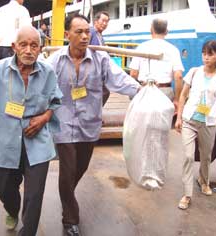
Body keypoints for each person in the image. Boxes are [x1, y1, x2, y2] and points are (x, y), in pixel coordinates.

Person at [0, 25, 62, 236]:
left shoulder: (48, 72)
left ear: (40, 48)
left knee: (34, 196)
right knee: (4, 187)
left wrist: (44, 117)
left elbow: (56, 101)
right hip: (7, 140)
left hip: (38, 143)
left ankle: (28, 232)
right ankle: (12, 209)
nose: (28, 50)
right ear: (14, 47)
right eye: (23, 45)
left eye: (34, 45)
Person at [47, 13, 140, 236]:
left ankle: (66, 195)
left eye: (87, 31)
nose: (84, 36)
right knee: (67, 171)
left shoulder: (101, 59)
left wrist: (144, 91)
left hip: (89, 123)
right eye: (78, 32)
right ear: (67, 34)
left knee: (80, 169)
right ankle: (70, 219)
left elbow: (120, 80)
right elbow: (39, 81)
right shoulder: (55, 60)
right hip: (64, 123)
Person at [175, 40, 216, 210]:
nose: (206, 57)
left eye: (210, 54)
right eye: (204, 53)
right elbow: (183, 95)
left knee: (205, 157)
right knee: (189, 157)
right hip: (189, 120)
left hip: (209, 122)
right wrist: (179, 118)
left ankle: (203, 181)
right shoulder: (194, 72)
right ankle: (187, 194)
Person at [129, 18, 184, 109]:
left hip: (144, 90)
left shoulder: (141, 47)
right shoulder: (173, 49)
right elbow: (178, 76)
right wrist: (177, 100)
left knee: (143, 121)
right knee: (164, 122)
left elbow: (133, 74)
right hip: (165, 92)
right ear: (166, 32)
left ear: (151, 30)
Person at [89, 11, 110, 105]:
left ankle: (95, 113)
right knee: (103, 92)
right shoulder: (91, 32)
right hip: (90, 69)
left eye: (107, 21)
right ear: (96, 21)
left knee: (104, 92)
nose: (105, 24)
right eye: (103, 21)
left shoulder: (100, 35)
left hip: (98, 69)